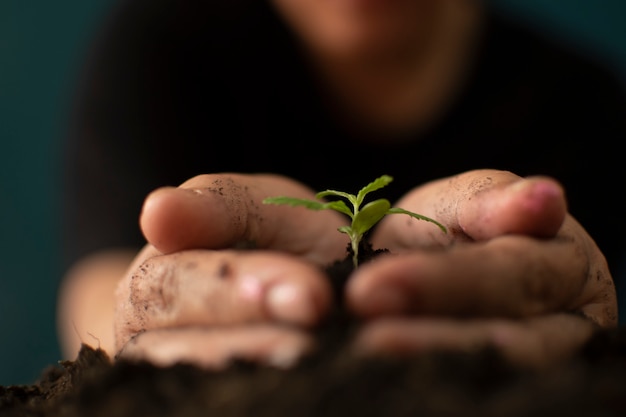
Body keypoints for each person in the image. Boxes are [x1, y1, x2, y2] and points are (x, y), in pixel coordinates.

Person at [57, 0, 625, 369]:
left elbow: (582, 309)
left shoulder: (579, 104)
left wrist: (583, 326)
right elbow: (101, 277)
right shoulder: (164, 47)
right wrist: (137, 318)